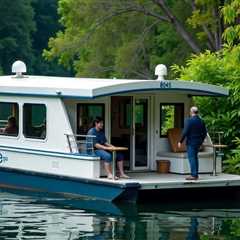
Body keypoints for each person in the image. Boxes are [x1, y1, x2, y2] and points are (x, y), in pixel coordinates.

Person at [178, 106, 207, 180]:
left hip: (191, 142)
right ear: (197, 112)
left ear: (191, 112)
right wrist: (201, 141)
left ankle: (193, 175)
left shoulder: (189, 121)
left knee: (192, 158)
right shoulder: (201, 121)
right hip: (198, 143)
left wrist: (180, 141)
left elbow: (185, 132)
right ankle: (195, 174)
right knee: (195, 158)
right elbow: (204, 133)